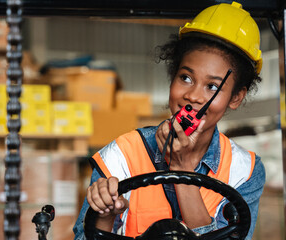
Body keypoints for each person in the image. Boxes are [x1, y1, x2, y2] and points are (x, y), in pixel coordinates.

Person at [73, 2, 265, 239]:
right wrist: (105, 215)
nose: (193, 96)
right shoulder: (120, 156)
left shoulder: (245, 171)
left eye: (212, 86)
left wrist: (182, 167)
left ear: (236, 97)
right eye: (185, 77)